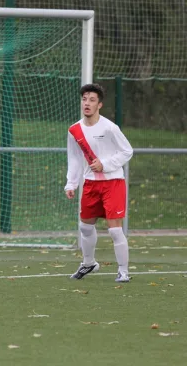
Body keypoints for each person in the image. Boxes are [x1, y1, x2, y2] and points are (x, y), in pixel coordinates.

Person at [65, 83, 133, 282]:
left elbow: (127, 151)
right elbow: (75, 159)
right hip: (90, 184)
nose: (87, 103)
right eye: (84, 99)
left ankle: (123, 270)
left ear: (99, 105)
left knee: (114, 229)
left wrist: (105, 164)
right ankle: (89, 263)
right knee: (85, 227)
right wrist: (71, 183)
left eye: (92, 100)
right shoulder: (74, 130)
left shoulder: (110, 128)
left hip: (113, 183)